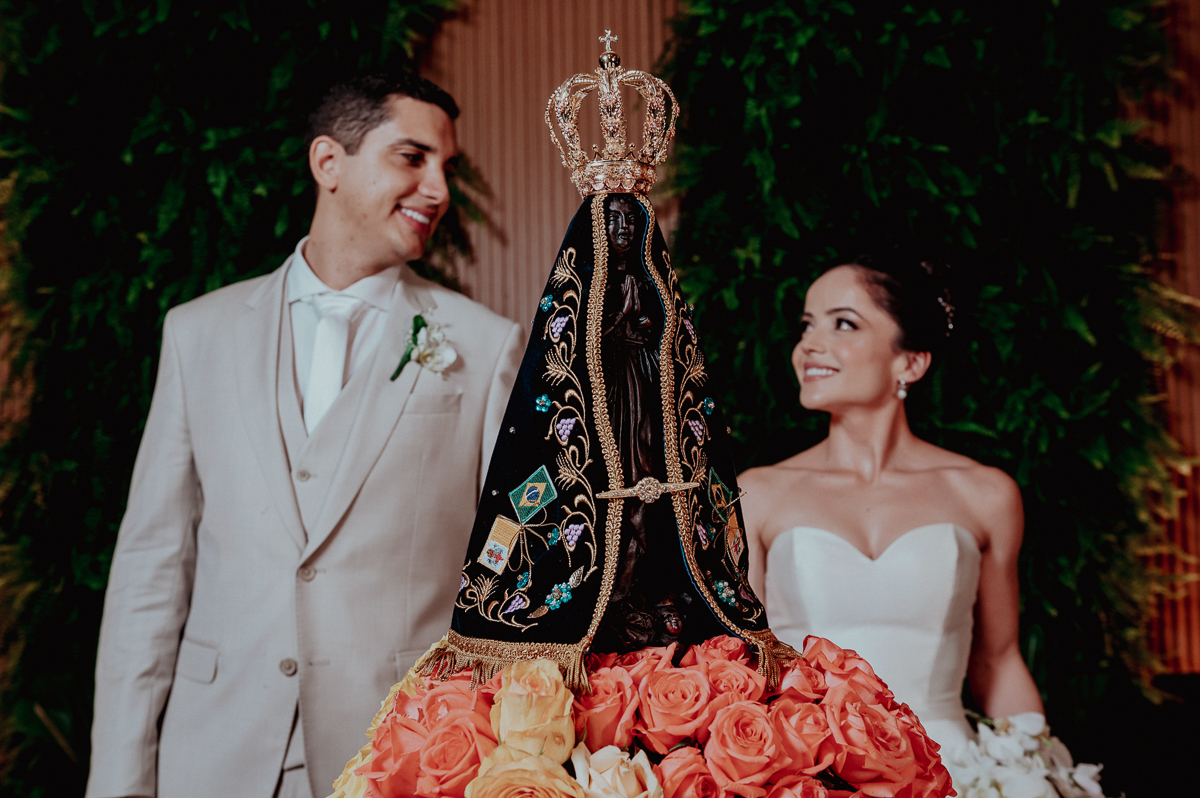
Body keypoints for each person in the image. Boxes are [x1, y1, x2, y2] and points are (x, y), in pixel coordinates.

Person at [85, 73, 524, 798]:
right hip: (212, 758)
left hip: (401, 759)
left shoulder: (485, 345)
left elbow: (507, 563)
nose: (440, 190)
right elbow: (150, 573)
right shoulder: (198, 335)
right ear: (328, 162)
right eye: (412, 158)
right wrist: (119, 782)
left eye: (447, 166)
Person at [740, 254, 1044, 754]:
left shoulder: (985, 494)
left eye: (843, 324)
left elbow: (999, 661)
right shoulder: (758, 494)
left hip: (954, 771)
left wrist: (1036, 774)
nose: (808, 345)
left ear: (911, 362)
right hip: (811, 770)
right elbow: (742, 662)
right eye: (807, 325)